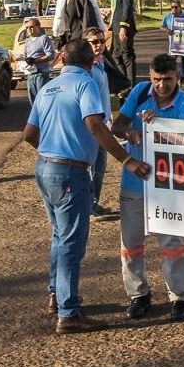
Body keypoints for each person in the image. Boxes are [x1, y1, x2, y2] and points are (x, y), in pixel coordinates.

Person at [23, 38, 150, 334]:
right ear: (91, 62)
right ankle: (68, 313)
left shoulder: (47, 88)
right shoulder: (86, 85)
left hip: (45, 167)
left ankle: (56, 293)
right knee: (71, 243)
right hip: (71, 172)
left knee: (59, 235)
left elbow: (29, 133)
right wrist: (127, 161)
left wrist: (52, 149)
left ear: (61, 59)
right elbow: (95, 125)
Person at [111, 54, 184, 321]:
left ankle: (179, 296)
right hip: (134, 182)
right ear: (150, 77)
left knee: (172, 243)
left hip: (168, 185)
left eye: (168, 80)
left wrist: (157, 124)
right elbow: (117, 126)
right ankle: (138, 295)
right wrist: (131, 133)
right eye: (157, 80)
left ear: (177, 77)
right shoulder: (139, 92)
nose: (162, 85)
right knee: (131, 243)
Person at [83, 26, 129, 221]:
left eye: (102, 41)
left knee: (100, 167)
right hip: (92, 126)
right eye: (94, 42)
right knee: (92, 167)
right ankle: (87, 206)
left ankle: (93, 202)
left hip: (104, 122)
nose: (99, 45)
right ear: (86, 44)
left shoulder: (101, 64)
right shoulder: (86, 68)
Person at [107, 0, 137, 84]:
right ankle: (124, 82)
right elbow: (117, 7)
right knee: (116, 55)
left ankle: (130, 85)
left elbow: (127, 7)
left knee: (126, 55)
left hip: (123, 27)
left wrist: (123, 26)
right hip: (115, 27)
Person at [18, 17, 55, 102]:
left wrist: (35, 60)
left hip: (41, 72)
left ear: (38, 27)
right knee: (32, 98)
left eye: (31, 27)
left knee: (42, 97)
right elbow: (25, 56)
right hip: (30, 73)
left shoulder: (44, 38)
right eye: (27, 27)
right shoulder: (27, 41)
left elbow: (50, 55)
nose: (29, 29)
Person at [159, 1, 184, 85]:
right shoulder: (168, 16)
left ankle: (183, 80)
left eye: (176, 7)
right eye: (172, 7)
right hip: (173, 44)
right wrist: (167, 30)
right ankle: (171, 79)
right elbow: (162, 26)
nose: (174, 9)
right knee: (171, 62)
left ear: (180, 7)